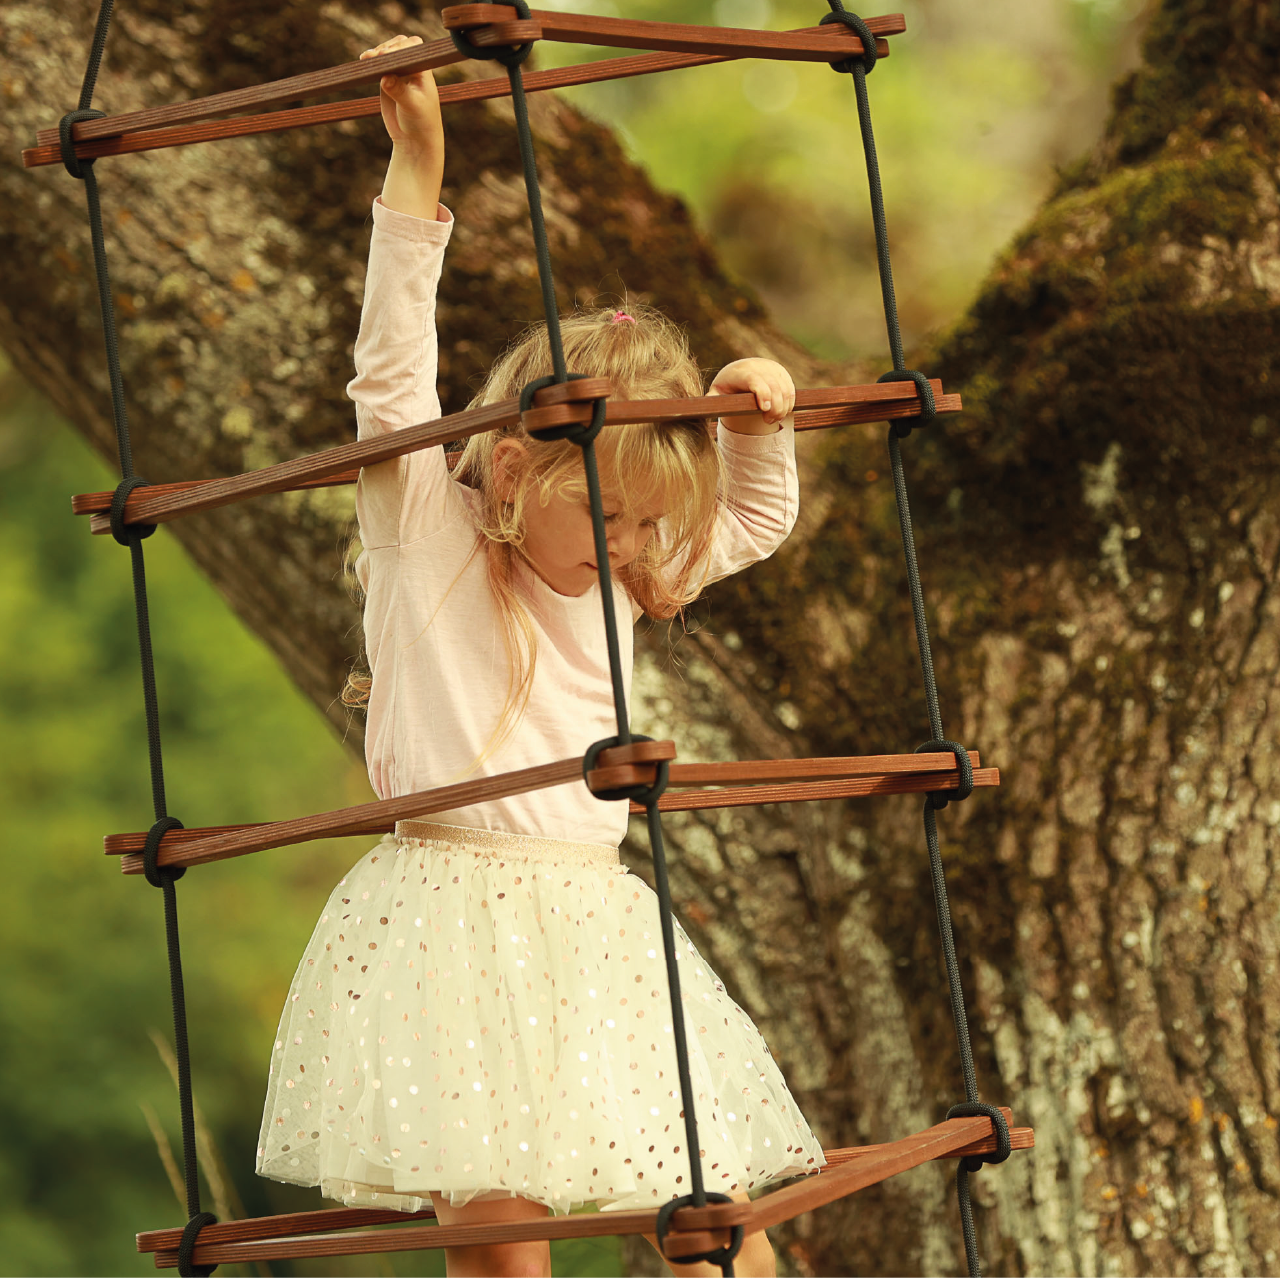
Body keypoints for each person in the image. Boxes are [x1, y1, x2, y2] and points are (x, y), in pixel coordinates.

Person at [256, 34, 823, 1278]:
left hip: (590, 926)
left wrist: (759, 411)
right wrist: (415, 169)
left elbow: (752, 518)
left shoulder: (623, 575)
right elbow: (388, 377)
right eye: (606, 513)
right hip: (447, 918)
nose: (629, 546)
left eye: (646, 526)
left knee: (704, 1213)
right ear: (516, 469)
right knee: (501, 1246)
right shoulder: (426, 533)